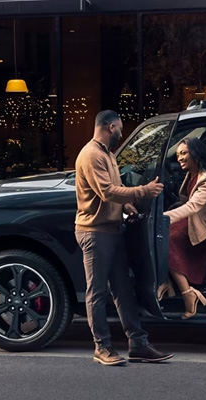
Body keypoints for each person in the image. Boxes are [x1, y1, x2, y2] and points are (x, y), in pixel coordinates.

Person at [74, 110, 173, 366]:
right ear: (109, 127)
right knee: (96, 292)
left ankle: (138, 343)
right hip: (95, 233)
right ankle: (101, 348)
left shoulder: (107, 154)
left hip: (112, 229)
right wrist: (143, 191)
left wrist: (125, 206)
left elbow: (110, 195)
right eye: (119, 128)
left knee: (123, 290)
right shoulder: (92, 155)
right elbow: (107, 192)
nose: (121, 132)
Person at [158, 138, 206, 319]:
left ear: (196, 153)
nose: (179, 158)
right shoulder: (191, 175)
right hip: (190, 219)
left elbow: (193, 206)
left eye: (184, 153)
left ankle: (189, 294)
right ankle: (166, 282)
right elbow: (185, 201)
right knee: (159, 236)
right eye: (178, 154)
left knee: (168, 239)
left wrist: (163, 218)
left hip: (202, 225)